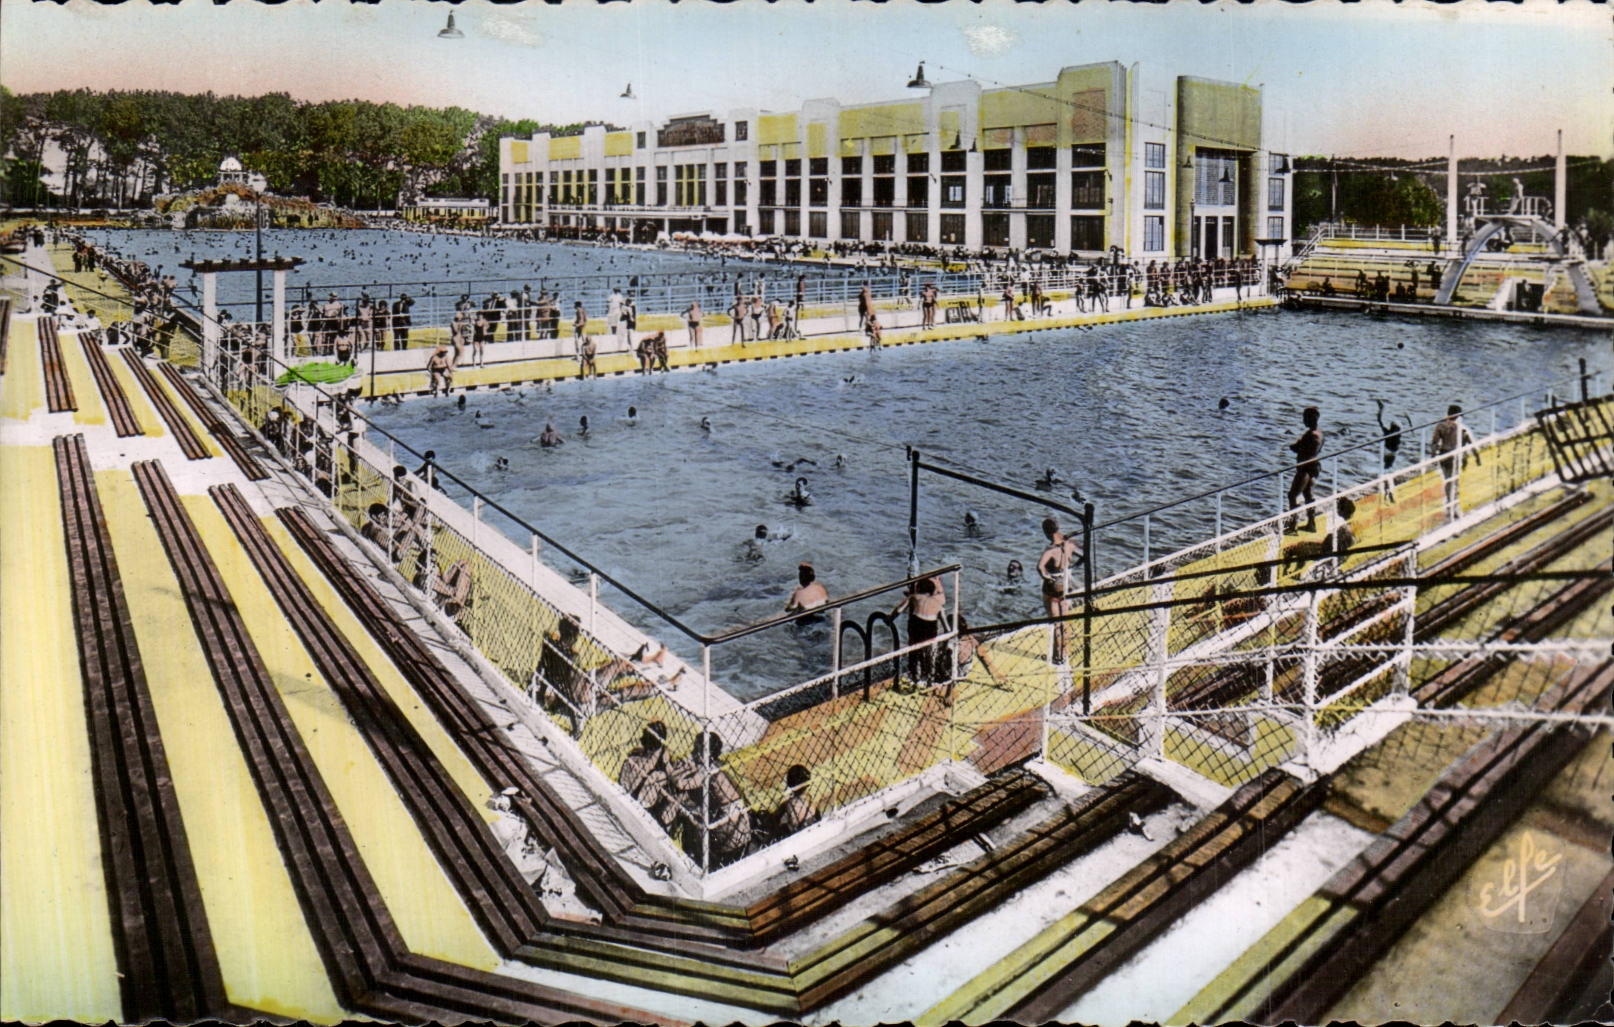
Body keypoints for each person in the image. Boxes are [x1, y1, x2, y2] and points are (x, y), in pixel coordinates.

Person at [666, 731, 751, 867]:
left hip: (729, 825)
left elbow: (682, 784)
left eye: (696, 748)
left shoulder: (707, 769)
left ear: (704, 751)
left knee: (688, 813)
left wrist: (674, 771)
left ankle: (691, 857)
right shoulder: (717, 765)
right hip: (739, 820)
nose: (693, 751)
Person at [1037, 517, 1081, 665]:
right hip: (1066, 587)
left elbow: (1040, 567)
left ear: (1046, 532)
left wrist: (1047, 577)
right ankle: (1065, 651)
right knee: (1065, 622)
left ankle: (1057, 656)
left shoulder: (1050, 550)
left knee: (1057, 624)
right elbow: (1084, 556)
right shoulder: (1070, 544)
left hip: (1052, 590)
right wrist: (1073, 567)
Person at [893, 575, 947, 687]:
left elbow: (899, 610)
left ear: (918, 589)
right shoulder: (938, 605)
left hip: (916, 628)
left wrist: (889, 619)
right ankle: (930, 680)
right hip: (930, 631)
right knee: (930, 655)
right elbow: (947, 627)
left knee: (914, 652)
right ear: (932, 591)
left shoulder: (914, 597)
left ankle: (915, 677)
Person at [1430, 403, 1479, 518]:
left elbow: (1434, 443)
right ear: (1459, 416)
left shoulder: (1440, 426)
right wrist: (1477, 457)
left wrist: (1433, 457)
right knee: (1454, 481)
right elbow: (1471, 443)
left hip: (1444, 456)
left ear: (1448, 413)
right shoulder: (1462, 428)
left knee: (1448, 480)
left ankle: (1449, 504)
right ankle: (1454, 506)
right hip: (1455, 457)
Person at [1285, 406, 1323, 535]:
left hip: (1305, 469)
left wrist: (1297, 446)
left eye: (1305, 417)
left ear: (1312, 418)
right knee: (1308, 496)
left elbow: (1299, 448)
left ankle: (1293, 525)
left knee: (1292, 495)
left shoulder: (1311, 435)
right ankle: (1311, 523)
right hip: (1313, 467)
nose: (1303, 420)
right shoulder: (1319, 433)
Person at [763, 764, 819, 841]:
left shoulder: (788, 804)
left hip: (798, 831)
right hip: (812, 825)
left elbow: (775, 818)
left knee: (782, 825)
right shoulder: (809, 798)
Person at [1375, 399, 1406, 503]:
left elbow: (1379, 421)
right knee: (1388, 470)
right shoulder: (1398, 435)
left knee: (1385, 472)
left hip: (1387, 454)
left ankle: (1388, 492)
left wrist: (1381, 410)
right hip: (1393, 454)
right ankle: (1389, 491)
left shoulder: (1387, 433)